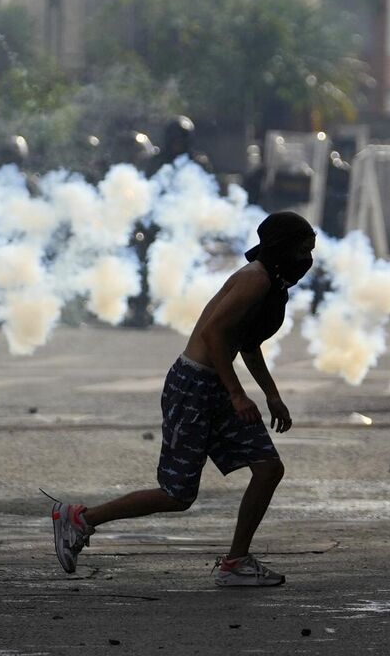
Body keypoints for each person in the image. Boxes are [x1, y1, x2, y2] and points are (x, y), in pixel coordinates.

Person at [47, 211, 312, 587]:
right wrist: (238, 395)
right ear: (282, 247)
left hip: (215, 384)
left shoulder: (271, 285)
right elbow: (214, 335)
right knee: (177, 494)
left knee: (268, 468)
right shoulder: (254, 280)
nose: (307, 257)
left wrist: (272, 396)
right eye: (302, 248)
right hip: (194, 385)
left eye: (310, 248)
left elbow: (247, 344)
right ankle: (80, 519)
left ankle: (236, 563)